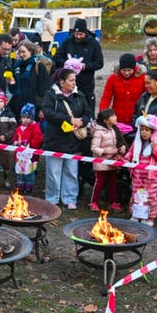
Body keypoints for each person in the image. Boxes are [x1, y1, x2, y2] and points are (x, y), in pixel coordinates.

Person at [42, 68, 91, 209]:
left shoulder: (79, 95)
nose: (74, 82)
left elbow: (88, 113)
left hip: (73, 141)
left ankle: (70, 198)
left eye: (75, 80)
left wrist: (82, 122)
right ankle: (52, 198)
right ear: (62, 82)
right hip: (55, 140)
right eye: (71, 80)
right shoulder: (51, 95)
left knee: (71, 171)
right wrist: (69, 119)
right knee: (53, 172)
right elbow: (48, 113)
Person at [125, 113, 157, 224]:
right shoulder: (137, 142)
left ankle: (150, 217)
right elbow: (130, 153)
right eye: (142, 130)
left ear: (153, 131)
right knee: (136, 195)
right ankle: (136, 215)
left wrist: (155, 148)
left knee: (150, 197)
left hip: (151, 176)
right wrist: (126, 159)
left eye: (147, 130)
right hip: (137, 175)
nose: (143, 132)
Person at [55, 18, 103, 109]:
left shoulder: (94, 44)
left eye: (81, 34)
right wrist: (67, 63)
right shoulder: (67, 41)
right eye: (76, 34)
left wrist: (85, 66)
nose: (78, 36)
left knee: (87, 109)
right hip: (68, 84)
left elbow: (99, 63)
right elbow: (57, 58)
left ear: (85, 32)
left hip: (86, 85)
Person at [88, 108, 125, 212]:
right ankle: (93, 202)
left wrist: (121, 147)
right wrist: (106, 151)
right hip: (101, 162)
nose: (115, 117)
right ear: (105, 120)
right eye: (112, 116)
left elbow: (117, 142)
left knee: (113, 182)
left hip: (112, 161)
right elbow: (94, 148)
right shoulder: (98, 132)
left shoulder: (113, 130)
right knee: (99, 182)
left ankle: (112, 202)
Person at [100, 53, 145, 127]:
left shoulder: (142, 78)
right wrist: (103, 115)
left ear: (134, 69)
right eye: (124, 70)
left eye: (129, 70)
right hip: (117, 118)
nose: (127, 73)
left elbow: (146, 97)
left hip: (136, 118)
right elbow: (106, 98)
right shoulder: (112, 78)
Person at [11, 40, 51, 119]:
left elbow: (45, 88)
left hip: (34, 107)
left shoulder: (39, 66)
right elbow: (13, 88)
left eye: (23, 52)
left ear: (31, 51)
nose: (21, 54)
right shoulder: (17, 65)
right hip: (18, 106)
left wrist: (42, 108)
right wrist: (11, 83)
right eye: (19, 52)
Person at [13, 103, 43, 195]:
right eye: (23, 117)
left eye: (28, 117)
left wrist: (27, 144)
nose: (25, 120)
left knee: (29, 174)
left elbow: (38, 140)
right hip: (20, 156)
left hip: (31, 157)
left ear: (32, 117)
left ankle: (29, 189)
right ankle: (20, 187)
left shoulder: (35, 127)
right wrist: (15, 142)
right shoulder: (19, 128)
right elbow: (15, 137)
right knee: (20, 173)